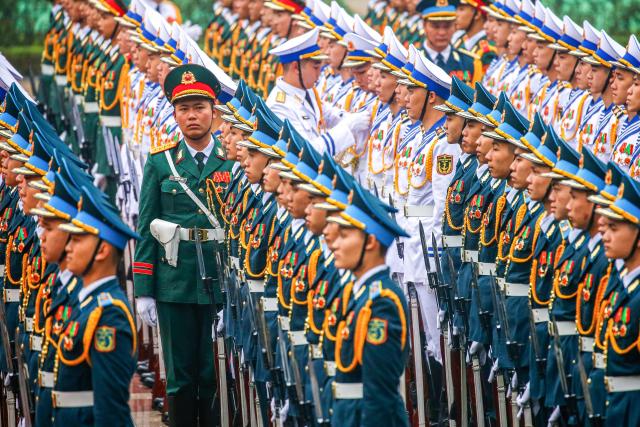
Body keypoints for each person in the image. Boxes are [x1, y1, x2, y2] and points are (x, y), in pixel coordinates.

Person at [133, 63, 233, 426]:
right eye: (184, 109)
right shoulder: (160, 163)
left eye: (199, 108)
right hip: (174, 281)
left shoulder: (233, 160)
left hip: (220, 282)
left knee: (215, 374)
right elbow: (146, 228)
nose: (192, 116)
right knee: (178, 379)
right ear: (174, 114)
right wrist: (144, 288)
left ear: (213, 111)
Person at [53, 184, 139, 426]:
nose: (68, 247)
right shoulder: (87, 302)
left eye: (77, 240)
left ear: (102, 250)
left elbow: (110, 410)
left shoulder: (109, 314)